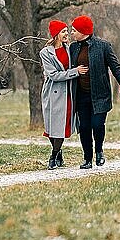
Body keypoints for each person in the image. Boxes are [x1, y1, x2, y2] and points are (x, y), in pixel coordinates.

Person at [70, 15, 120, 169]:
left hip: (100, 94)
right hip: (81, 95)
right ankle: (87, 158)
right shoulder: (73, 48)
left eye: (74, 30)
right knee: (84, 127)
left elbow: (115, 67)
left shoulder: (103, 46)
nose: (72, 33)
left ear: (83, 31)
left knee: (97, 124)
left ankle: (99, 151)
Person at [40, 20, 89, 170]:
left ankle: (53, 157)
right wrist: (75, 72)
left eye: (67, 31)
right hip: (52, 93)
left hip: (67, 93)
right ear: (56, 35)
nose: (67, 34)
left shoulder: (70, 49)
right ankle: (58, 153)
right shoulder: (45, 53)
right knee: (52, 127)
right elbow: (53, 75)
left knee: (61, 126)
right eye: (63, 32)